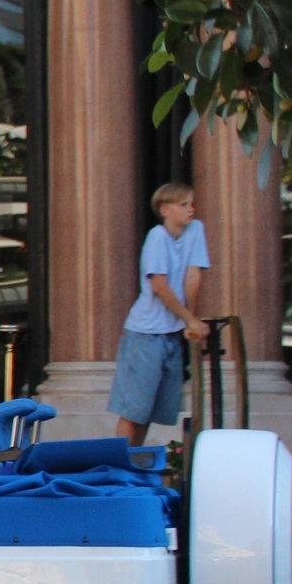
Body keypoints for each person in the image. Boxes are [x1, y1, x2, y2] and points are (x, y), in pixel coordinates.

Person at [109, 182, 210, 445]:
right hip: (144, 333)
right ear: (165, 210)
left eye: (191, 204)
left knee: (152, 409)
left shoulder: (195, 230)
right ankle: (121, 467)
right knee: (134, 408)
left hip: (171, 333)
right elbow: (159, 286)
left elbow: (193, 275)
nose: (191, 210)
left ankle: (134, 461)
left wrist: (191, 321)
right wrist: (189, 319)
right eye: (183, 205)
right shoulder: (156, 237)